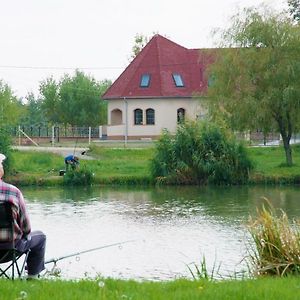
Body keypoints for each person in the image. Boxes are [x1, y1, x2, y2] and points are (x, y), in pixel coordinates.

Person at [0, 153, 46, 279]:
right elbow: (26, 229)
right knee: (40, 237)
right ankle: (32, 276)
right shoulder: (13, 192)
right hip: (10, 248)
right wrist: (23, 235)